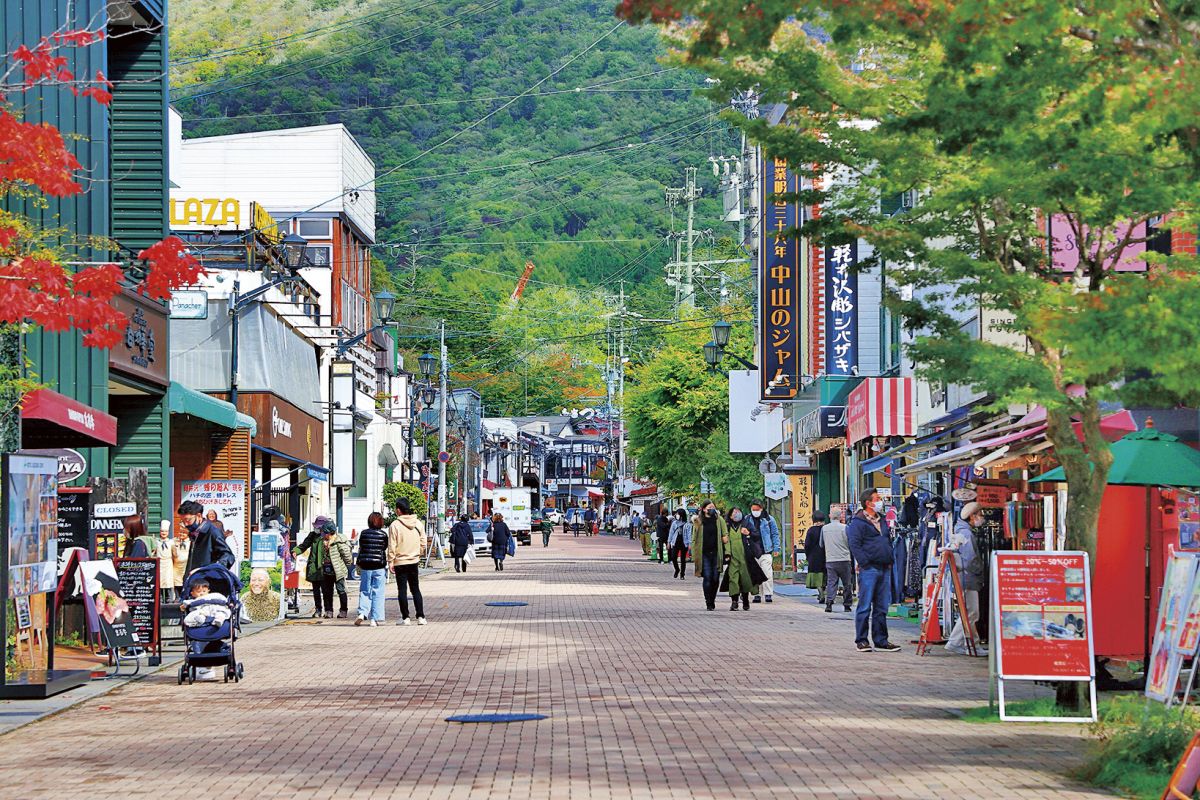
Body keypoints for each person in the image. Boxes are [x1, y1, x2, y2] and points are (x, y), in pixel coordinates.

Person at [847, 489, 901, 653]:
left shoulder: (882, 520)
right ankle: (862, 640)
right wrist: (864, 562)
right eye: (877, 499)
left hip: (885, 567)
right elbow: (854, 545)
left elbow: (887, 541)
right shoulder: (858, 523)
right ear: (868, 503)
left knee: (881, 607)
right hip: (869, 569)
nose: (880, 501)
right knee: (864, 606)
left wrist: (890, 559)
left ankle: (881, 640)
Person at [944, 502, 987, 656]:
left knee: (969, 612)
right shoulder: (967, 534)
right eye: (980, 514)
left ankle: (973, 645)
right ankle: (955, 642)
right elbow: (970, 559)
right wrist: (980, 570)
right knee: (972, 612)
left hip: (964, 577)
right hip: (968, 578)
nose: (982, 518)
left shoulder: (961, 530)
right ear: (972, 516)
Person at [294, 518, 351, 618]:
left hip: (334, 569)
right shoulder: (313, 536)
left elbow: (345, 555)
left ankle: (342, 610)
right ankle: (324, 610)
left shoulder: (336, 539)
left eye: (319, 528)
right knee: (323, 591)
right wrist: (296, 551)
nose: (318, 530)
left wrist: (346, 566)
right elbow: (304, 546)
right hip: (318, 568)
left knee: (339, 590)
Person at [388, 499, 426, 625]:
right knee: (415, 589)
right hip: (413, 560)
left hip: (400, 562)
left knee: (402, 590)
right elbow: (423, 542)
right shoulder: (418, 523)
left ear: (399, 510)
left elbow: (392, 545)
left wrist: (391, 561)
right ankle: (421, 617)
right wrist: (418, 553)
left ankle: (405, 618)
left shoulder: (395, 525)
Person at [179, 501, 235, 576]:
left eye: (188, 520)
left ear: (199, 516)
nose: (185, 524)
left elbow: (228, 557)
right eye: (183, 521)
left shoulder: (213, 532)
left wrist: (208, 571)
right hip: (195, 581)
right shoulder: (195, 533)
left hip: (207, 583)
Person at [354, 512, 389, 627]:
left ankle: (362, 613)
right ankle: (375, 618)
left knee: (365, 590)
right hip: (379, 566)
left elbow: (362, 547)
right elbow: (384, 548)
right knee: (377, 592)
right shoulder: (383, 535)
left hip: (366, 566)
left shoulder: (363, 534)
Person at [691, 501, 727, 611]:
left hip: (716, 552)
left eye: (713, 507)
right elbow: (694, 539)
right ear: (704, 509)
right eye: (709, 507)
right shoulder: (698, 521)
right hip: (704, 553)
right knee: (707, 577)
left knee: (715, 578)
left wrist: (727, 550)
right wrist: (694, 555)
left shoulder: (719, 520)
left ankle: (713, 599)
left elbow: (725, 535)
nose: (712, 509)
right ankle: (708, 602)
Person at [727, 507, 765, 611]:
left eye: (738, 512)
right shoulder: (727, 526)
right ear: (730, 516)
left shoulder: (746, 524)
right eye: (734, 513)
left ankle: (745, 599)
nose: (736, 514)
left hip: (745, 557)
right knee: (733, 579)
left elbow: (757, 535)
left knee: (745, 580)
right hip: (732, 558)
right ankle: (734, 602)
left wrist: (748, 533)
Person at [745, 500, 781, 603]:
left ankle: (768, 594)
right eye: (753, 509)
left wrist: (776, 548)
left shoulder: (769, 519)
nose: (755, 511)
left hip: (766, 550)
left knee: (767, 573)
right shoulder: (747, 519)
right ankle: (757, 594)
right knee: (754, 574)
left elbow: (774, 534)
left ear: (762, 509)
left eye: (757, 509)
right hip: (752, 551)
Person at [822, 507, 853, 613]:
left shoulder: (824, 528)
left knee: (831, 582)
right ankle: (847, 605)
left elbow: (821, 544)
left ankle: (829, 603)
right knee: (847, 583)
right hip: (844, 559)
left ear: (830, 515)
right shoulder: (846, 528)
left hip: (830, 559)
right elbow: (851, 543)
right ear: (841, 516)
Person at [803, 511, 828, 605]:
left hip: (814, 557)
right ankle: (824, 591)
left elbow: (807, 545)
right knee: (825, 576)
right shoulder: (826, 529)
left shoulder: (811, 530)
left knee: (816, 576)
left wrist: (808, 556)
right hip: (825, 556)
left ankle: (820, 592)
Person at [667, 508, 690, 579]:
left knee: (683, 559)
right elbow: (671, 533)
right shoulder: (674, 523)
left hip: (684, 542)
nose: (676, 515)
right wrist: (669, 542)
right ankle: (677, 569)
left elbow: (689, 534)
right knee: (673, 557)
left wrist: (690, 544)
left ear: (681, 515)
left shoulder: (687, 524)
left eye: (678, 514)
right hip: (675, 542)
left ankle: (682, 574)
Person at [156, 521, 175, 602]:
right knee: (159, 581)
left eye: (166, 531)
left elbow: (174, 553)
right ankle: (159, 598)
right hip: (160, 563)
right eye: (162, 531)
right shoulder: (156, 542)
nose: (164, 533)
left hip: (168, 563)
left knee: (168, 581)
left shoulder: (171, 542)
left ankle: (169, 598)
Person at [171, 526, 190, 598]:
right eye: (180, 532)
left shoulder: (190, 542)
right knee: (176, 581)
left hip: (185, 566)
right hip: (176, 566)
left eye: (184, 533)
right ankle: (177, 597)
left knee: (185, 581)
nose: (181, 534)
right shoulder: (174, 541)